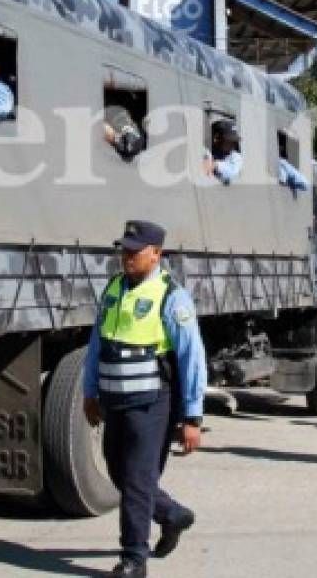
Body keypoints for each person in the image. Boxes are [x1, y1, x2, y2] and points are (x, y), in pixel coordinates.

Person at [83, 220, 207, 578]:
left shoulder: (172, 297)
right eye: (124, 249)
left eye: (134, 251)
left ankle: (133, 559)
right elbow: (97, 343)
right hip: (115, 400)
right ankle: (172, 514)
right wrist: (89, 391)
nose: (127, 257)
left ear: (156, 254)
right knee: (119, 471)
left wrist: (193, 418)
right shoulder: (113, 288)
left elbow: (191, 357)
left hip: (152, 402)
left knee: (137, 478)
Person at [203, 120, 242, 184]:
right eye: (228, 141)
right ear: (217, 139)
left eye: (234, 141)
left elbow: (234, 171)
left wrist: (216, 165)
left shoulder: (235, 156)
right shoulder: (206, 150)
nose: (232, 144)